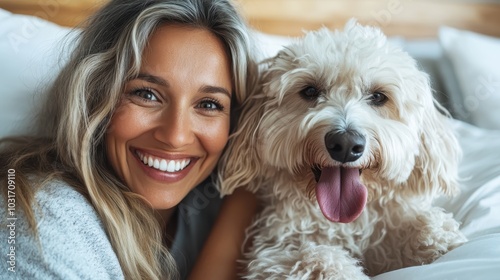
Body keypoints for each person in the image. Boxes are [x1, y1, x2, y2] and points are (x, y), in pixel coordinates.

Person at [0, 0, 259, 279]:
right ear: (94, 94)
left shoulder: (220, 208)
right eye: (146, 94)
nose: (176, 136)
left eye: (209, 104)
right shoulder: (38, 218)